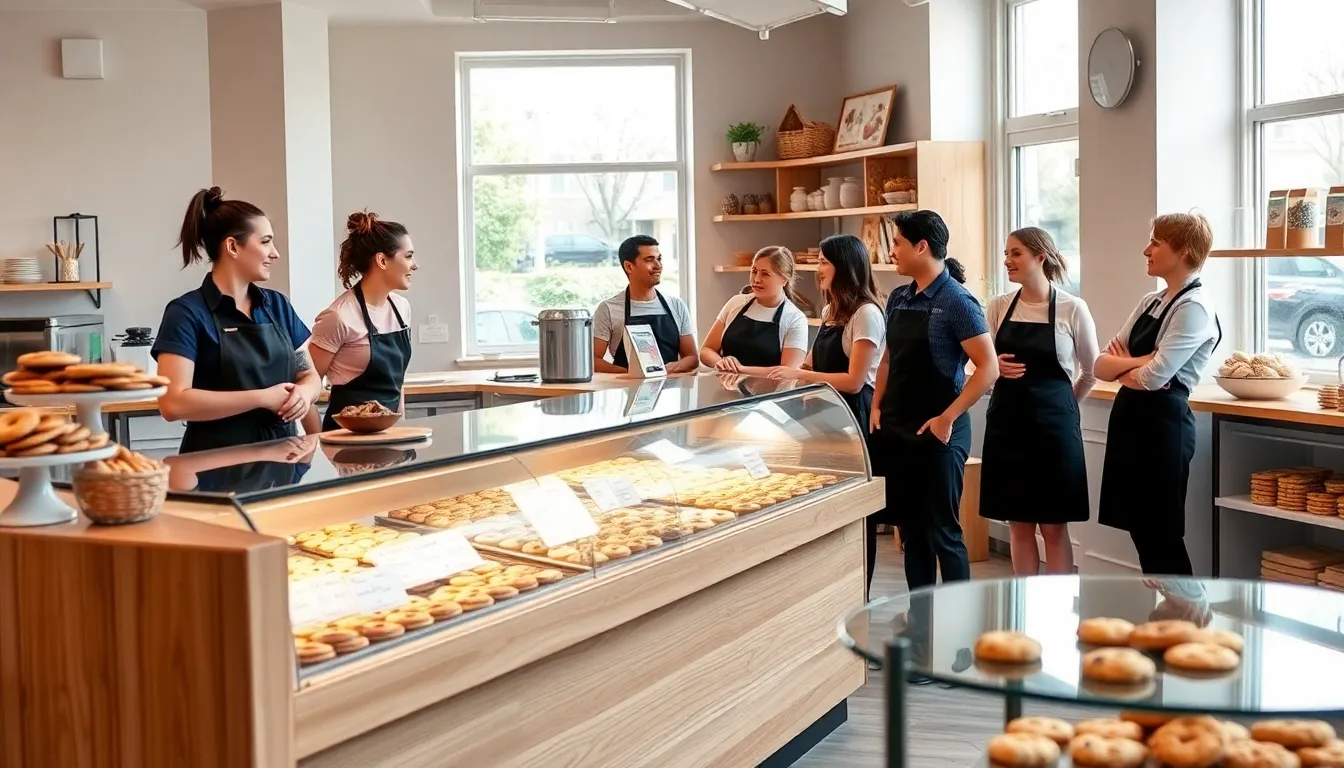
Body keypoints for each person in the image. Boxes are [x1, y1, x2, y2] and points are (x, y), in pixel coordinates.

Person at [872, 210, 999, 590]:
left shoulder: (958, 301)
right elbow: (889, 358)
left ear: (921, 246)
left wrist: (947, 418)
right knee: (912, 532)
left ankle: (958, 623)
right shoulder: (898, 297)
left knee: (943, 531)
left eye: (897, 243)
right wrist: (877, 405)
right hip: (898, 427)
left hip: (941, 432)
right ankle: (922, 618)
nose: (892, 251)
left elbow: (988, 368)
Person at [1095, 212, 1221, 576]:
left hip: (1162, 429)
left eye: (1155, 242)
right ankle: (1167, 623)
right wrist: (1144, 360)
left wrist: (1132, 367)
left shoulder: (1194, 306)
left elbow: (1153, 380)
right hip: (1131, 422)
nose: (1145, 249)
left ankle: (1188, 623)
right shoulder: (1150, 301)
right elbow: (1100, 366)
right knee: (1142, 534)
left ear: (1182, 250)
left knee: (1161, 536)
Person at [153, 187, 321, 453]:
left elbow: (309, 374)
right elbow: (173, 403)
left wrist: (305, 394)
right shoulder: (186, 313)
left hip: (283, 461)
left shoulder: (277, 305)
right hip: (215, 466)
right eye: (265, 242)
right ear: (232, 246)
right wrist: (262, 398)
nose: (275, 253)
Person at [765, 234, 887, 591]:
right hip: (823, 421)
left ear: (844, 267)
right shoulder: (833, 311)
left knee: (856, 517)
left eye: (823, 262)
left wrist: (799, 374)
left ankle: (859, 592)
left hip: (852, 421)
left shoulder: (867, 315)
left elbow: (853, 380)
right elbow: (813, 363)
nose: (817, 269)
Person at [981, 227, 1099, 576]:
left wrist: (1064, 407)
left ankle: (1059, 612)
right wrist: (995, 368)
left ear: (1040, 257)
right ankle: (1025, 610)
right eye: (1006, 253)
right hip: (1007, 428)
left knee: (1053, 527)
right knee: (1018, 524)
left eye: (1016, 253)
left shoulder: (1072, 308)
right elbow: (982, 364)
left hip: (1054, 432)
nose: (1007, 260)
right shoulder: (999, 306)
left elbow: (1091, 371)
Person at [307, 211, 416, 432]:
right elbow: (305, 384)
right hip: (344, 444)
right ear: (382, 260)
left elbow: (397, 385)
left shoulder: (402, 309)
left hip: (388, 438)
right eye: (408, 256)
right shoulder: (339, 316)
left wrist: (399, 434)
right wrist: (317, 444)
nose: (414, 265)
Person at [593, 235, 698, 374]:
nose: (658, 266)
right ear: (629, 267)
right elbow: (594, 360)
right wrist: (630, 373)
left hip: (671, 389)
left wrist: (668, 369)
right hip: (627, 390)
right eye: (649, 260)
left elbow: (692, 357)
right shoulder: (608, 309)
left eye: (659, 259)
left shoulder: (676, 306)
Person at [699, 246, 810, 375]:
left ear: (784, 279)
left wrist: (739, 369)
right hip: (727, 392)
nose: (757, 279)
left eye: (765, 274)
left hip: (770, 394)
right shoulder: (735, 303)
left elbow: (788, 373)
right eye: (754, 271)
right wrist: (720, 362)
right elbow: (706, 350)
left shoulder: (795, 319)